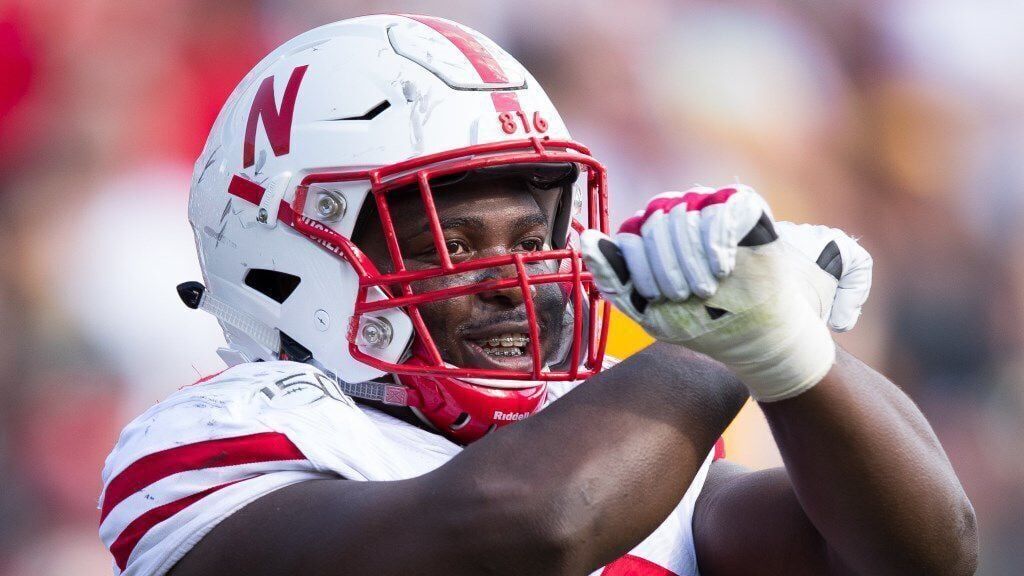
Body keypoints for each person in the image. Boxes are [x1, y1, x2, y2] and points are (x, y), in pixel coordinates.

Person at [98, 14, 977, 576]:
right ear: (293, 250)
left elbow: (924, 555)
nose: (512, 283)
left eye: (530, 240)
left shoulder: (599, 432)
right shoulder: (216, 437)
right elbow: (528, 529)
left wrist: (791, 353)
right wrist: (715, 343)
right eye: (454, 247)